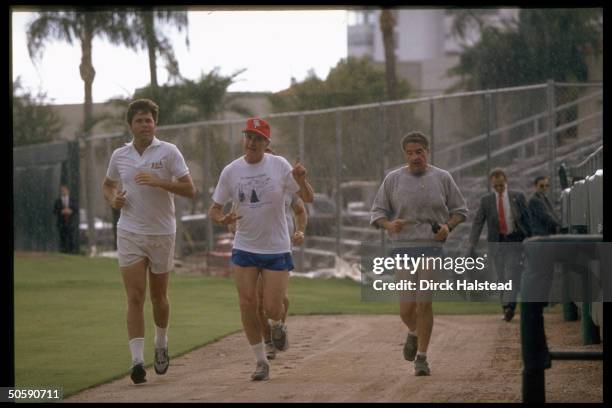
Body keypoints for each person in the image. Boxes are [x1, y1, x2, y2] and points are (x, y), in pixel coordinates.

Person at [209, 117, 313, 381]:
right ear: (243, 139)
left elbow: (307, 199)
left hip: (277, 247)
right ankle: (260, 361)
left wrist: (302, 179)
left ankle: (278, 325)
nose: (252, 142)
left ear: (267, 143)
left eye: (257, 138)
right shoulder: (231, 171)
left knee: (272, 308)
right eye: (248, 137)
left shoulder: (279, 165)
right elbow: (214, 208)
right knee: (246, 303)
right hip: (245, 246)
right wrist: (222, 219)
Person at [102, 98, 196, 384]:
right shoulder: (120, 155)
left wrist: (159, 182)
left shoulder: (169, 152)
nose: (145, 125)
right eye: (140, 120)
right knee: (134, 296)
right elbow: (108, 186)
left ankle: (162, 342)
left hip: (162, 233)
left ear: (155, 124)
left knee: (158, 298)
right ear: (131, 124)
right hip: (129, 231)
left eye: (149, 120)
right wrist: (113, 198)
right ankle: (137, 362)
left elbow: (190, 189)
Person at [370, 131, 468, 376]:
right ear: (405, 154)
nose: (415, 157)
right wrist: (389, 225)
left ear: (427, 152)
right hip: (403, 247)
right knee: (406, 309)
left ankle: (422, 357)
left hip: (431, 246)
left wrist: (447, 227)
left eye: (419, 152)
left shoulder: (442, 177)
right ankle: (414, 332)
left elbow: (460, 211)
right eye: (410, 153)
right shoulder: (393, 179)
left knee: (424, 302)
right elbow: (378, 213)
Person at [467, 168, 532, 322]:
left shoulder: (517, 197)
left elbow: (527, 220)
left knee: (511, 273)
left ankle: (510, 306)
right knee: (501, 277)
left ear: (506, 182)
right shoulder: (487, 201)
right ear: (491, 185)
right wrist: (472, 243)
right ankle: (506, 307)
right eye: (496, 186)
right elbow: (478, 222)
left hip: (514, 240)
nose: (499, 188)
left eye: (501, 185)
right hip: (497, 243)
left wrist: (531, 239)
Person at [53, 184, 79, 254]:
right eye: (62, 190)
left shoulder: (72, 200)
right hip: (61, 223)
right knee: (62, 238)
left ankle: (72, 252)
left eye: (64, 190)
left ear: (68, 191)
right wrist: (61, 211)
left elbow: (76, 209)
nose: (63, 192)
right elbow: (54, 211)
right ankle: (63, 252)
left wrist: (71, 211)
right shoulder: (58, 201)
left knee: (71, 238)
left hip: (70, 222)